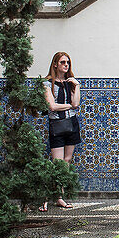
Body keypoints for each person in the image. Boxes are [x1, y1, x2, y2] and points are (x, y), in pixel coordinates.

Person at [39, 51, 81, 211]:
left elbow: (76, 102)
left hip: (71, 124)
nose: (66, 65)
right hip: (57, 125)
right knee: (57, 164)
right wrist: (70, 106)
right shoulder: (47, 83)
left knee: (66, 162)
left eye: (68, 62)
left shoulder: (70, 82)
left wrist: (77, 86)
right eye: (63, 62)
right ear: (55, 64)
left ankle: (59, 197)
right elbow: (52, 106)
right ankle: (45, 196)